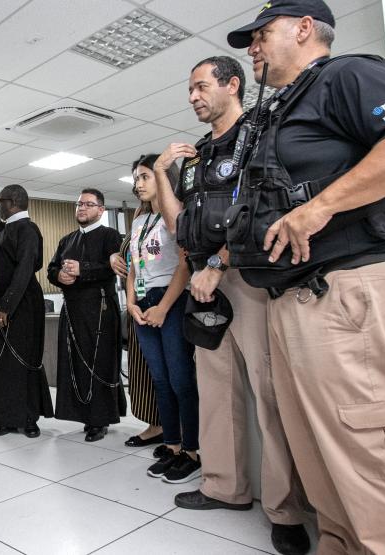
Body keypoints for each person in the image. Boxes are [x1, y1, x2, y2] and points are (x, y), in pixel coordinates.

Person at [225, 1, 385, 552]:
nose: (251, 48)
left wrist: (321, 207)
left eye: (260, 34)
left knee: (372, 458)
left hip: (347, 290)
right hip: (292, 297)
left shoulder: (347, 74)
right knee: (319, 456)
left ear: (303, 29)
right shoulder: (277, 110)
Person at [151, 57, 309, 554]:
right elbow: (179, 226)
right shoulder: (197, 155)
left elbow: (263, 211)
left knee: (269, 391)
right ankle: (226, 486)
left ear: (232, 84)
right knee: (216, 391)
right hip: (203, 284)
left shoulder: (261, 133)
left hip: (245, 277)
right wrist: (161, 172)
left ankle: (285, 510)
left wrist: (218, 261)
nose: (193, 96)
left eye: (200, 86)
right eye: (190, 90)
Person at [125, 154, 201, 485]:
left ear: (163, 178)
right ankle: (171, 444)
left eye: (144, 176)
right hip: (142, 303)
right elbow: (133, 268)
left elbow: (185, 266)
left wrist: (164, 307)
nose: (138, 184)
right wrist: (130, 302)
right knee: (160, 380)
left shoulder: (175, 216)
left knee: (181, 379)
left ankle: (192, 451)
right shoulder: (139, 222)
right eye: (136, 179)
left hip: (171, 300)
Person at [47, 189, 126, 442]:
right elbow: (51, 268)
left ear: (101, 210)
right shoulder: (67, 240)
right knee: (75, 364)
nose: (81, 208)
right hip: (73, 309)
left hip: (100, 309)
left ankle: (99, 419)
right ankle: (82, 413)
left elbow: (115, 269)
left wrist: (84, 269)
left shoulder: (110, 236)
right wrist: (59, 275)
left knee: (99, 363)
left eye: (88, 204)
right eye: (79, 204)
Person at [0, 179, 54, 437]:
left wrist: (6, 307)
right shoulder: (5, 228)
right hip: (2, 303)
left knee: (23, 362)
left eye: (0, 202)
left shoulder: (28, 229)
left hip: (20, 305)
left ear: (12, 203)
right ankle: (6, 418)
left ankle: (28, 418)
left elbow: (24, 271)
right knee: (1, 363)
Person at [111, 199, 162, 448]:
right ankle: (156, 424)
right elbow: (130, 253)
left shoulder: (171, 214)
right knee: (142, 368)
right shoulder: (141, 217)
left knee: (167, 372)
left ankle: (171, 429)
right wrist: (113, 256)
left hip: (163, 300)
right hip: (137, 300)